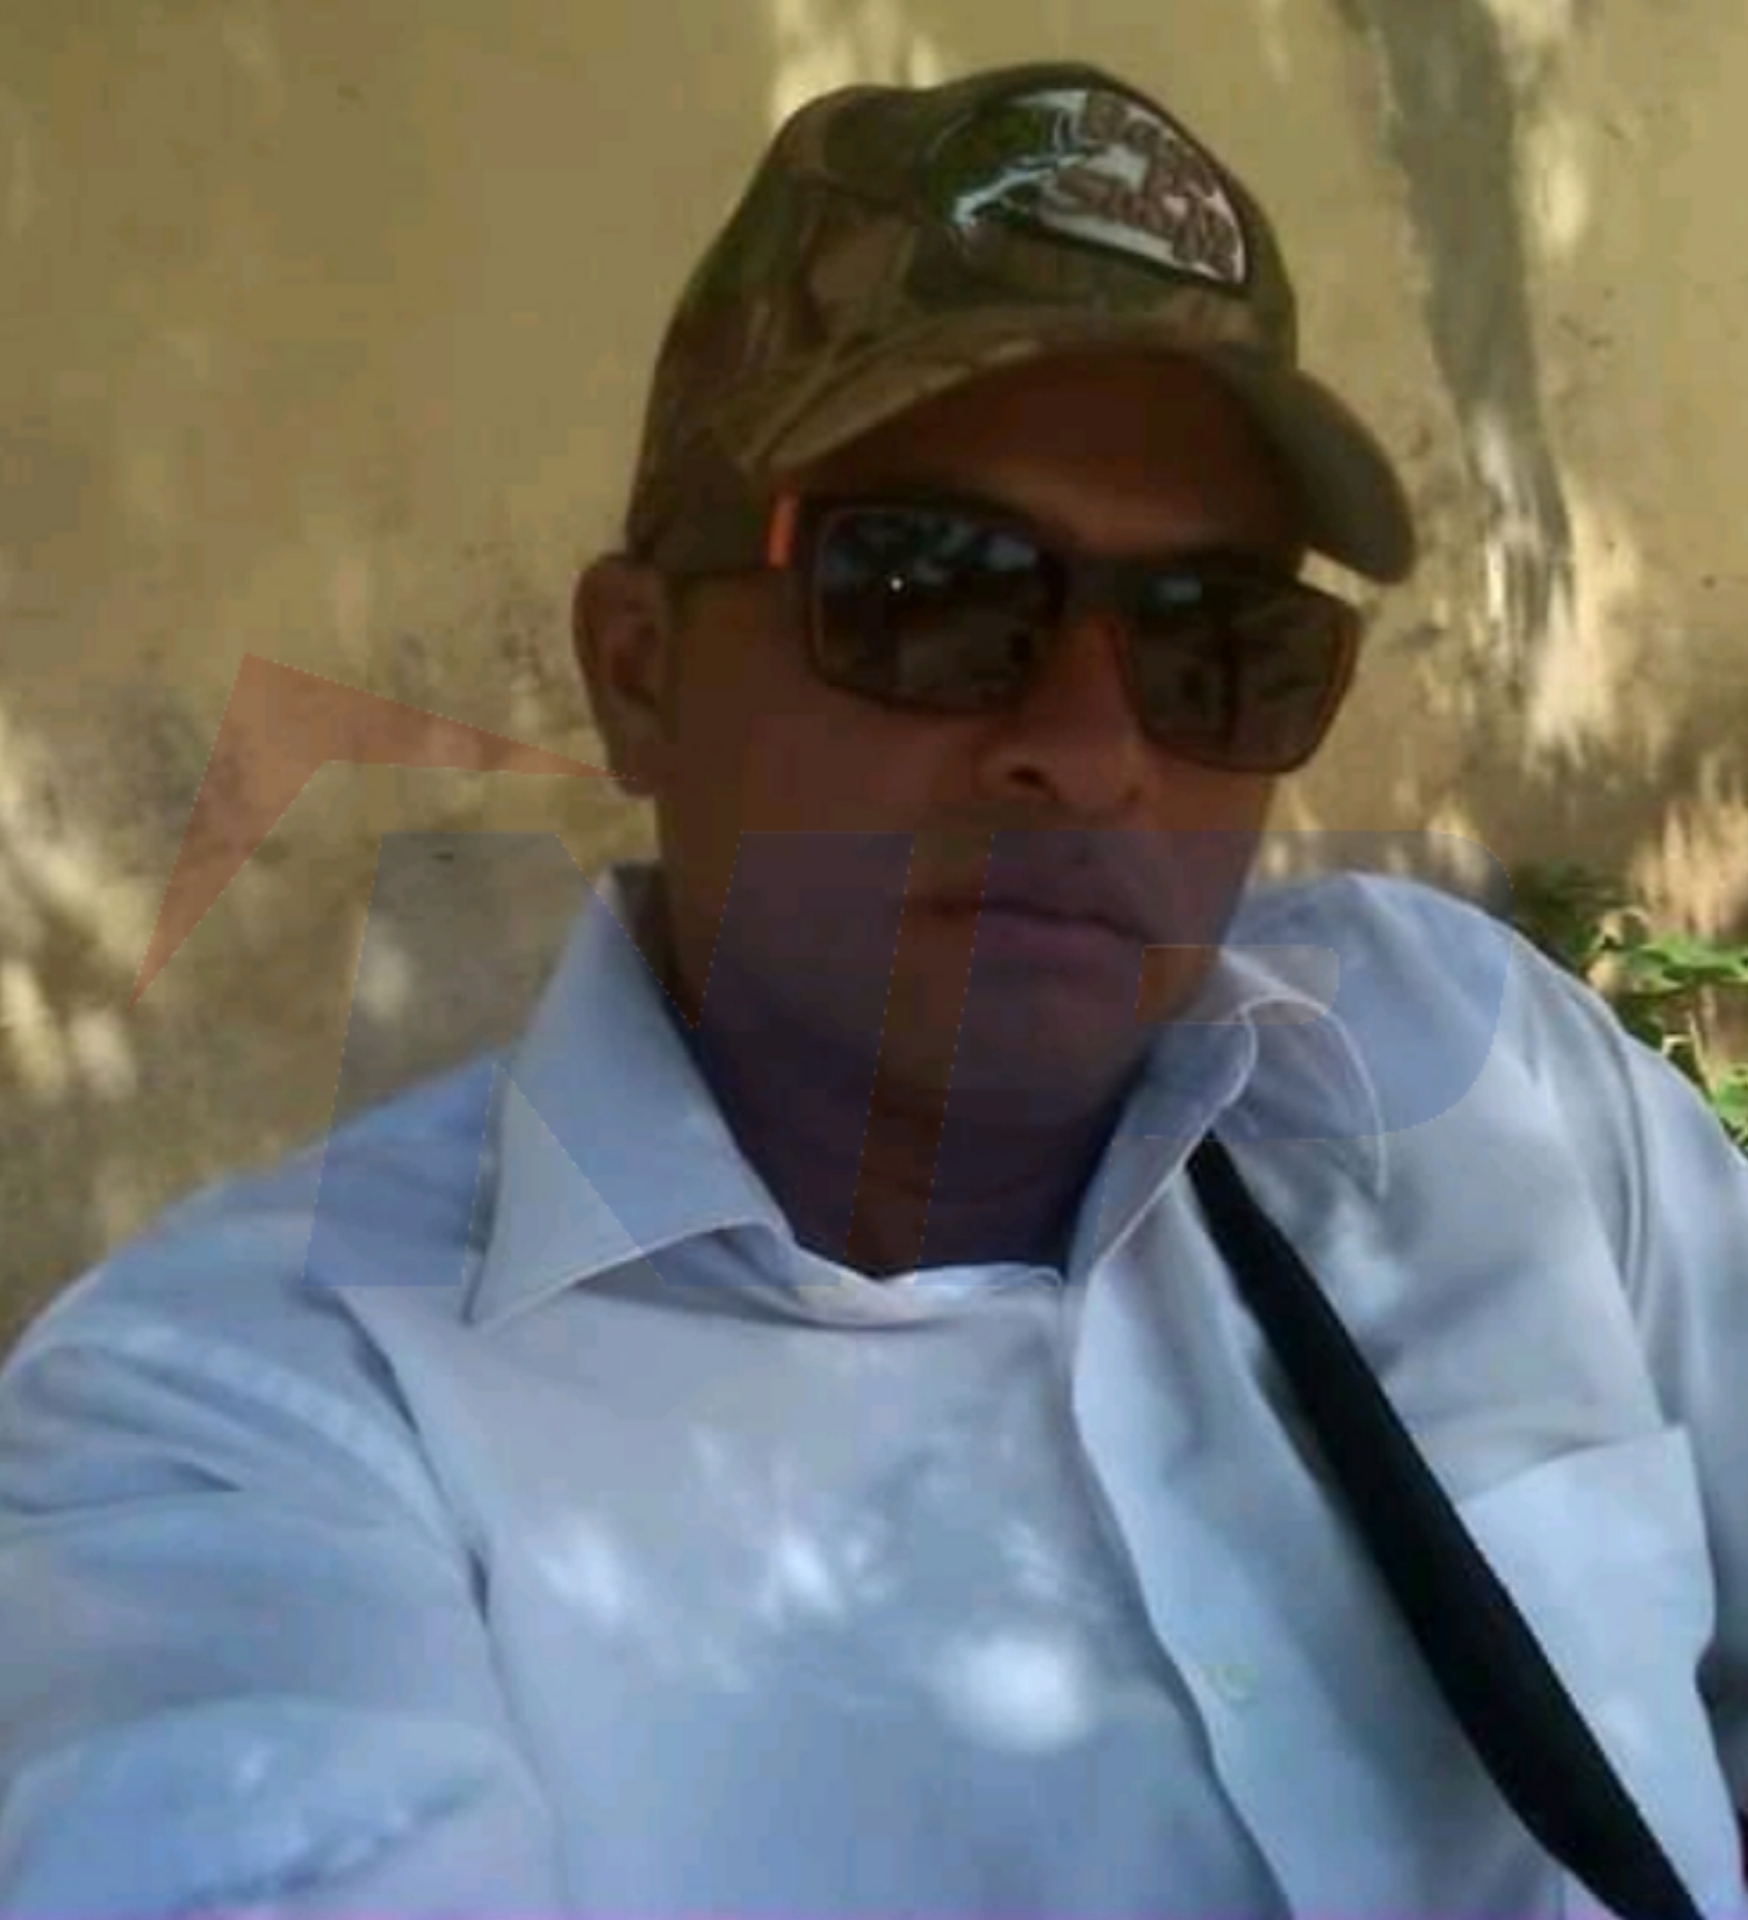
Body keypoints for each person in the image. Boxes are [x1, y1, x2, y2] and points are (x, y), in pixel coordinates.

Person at [1, 58, 1745, 1919]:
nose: (1091, 751)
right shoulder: (251, 1428)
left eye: (1213, 637)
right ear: (639, 669)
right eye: (929, 590)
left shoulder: (1478, 1076)